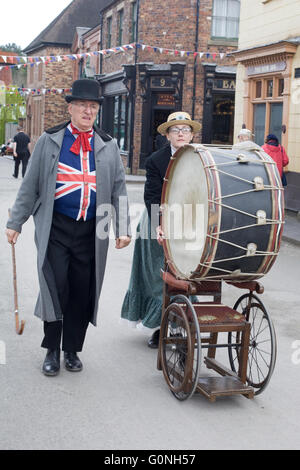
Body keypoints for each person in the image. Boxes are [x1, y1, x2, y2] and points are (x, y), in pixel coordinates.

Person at [6, 79, 131, 376]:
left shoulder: (109, 145)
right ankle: (51, 348)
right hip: (57, 228)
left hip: (91, 230)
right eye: (83, 106)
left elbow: (119, 190)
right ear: (71, 108)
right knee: (55, 286)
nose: (89, 111)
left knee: (80, 289)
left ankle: (72, 349)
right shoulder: (50, 141)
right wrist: (16, 223)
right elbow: (30, 187)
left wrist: (123, 227)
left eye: (93, 107)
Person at [121, 112, 200, 348]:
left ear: (192, 134)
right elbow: (153, 196)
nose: (181, 133)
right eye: (175, 130)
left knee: (186, 271)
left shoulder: (200, 157)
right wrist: (159, 223)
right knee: (158, 272)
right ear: (167, 135)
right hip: (158, 217)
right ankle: (158, 327)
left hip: (188, 218)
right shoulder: (156, 160)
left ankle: (182, 322)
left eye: (186, 129)